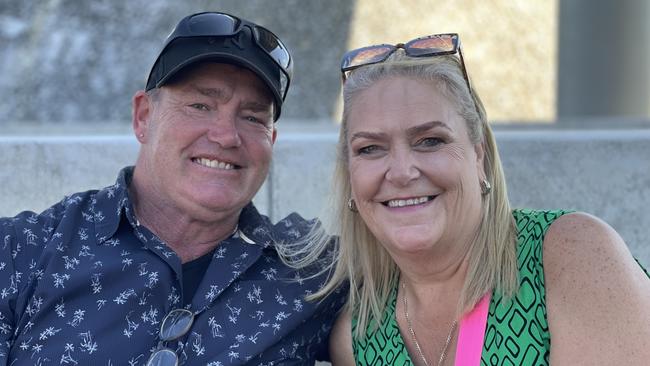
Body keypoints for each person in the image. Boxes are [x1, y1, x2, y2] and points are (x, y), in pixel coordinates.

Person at [0, 11, 345, 365]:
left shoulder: (313, 271)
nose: (226, 136)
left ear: (271, 140)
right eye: (200, 105)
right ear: (143, 117)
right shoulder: (22, 252)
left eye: (253, 117)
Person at [304, 34, 650, 365]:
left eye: (430, 141)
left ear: (478, 157)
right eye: (370, 148)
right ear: (350, 177)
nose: (401, 172)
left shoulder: (570, 255)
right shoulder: (359, 335)